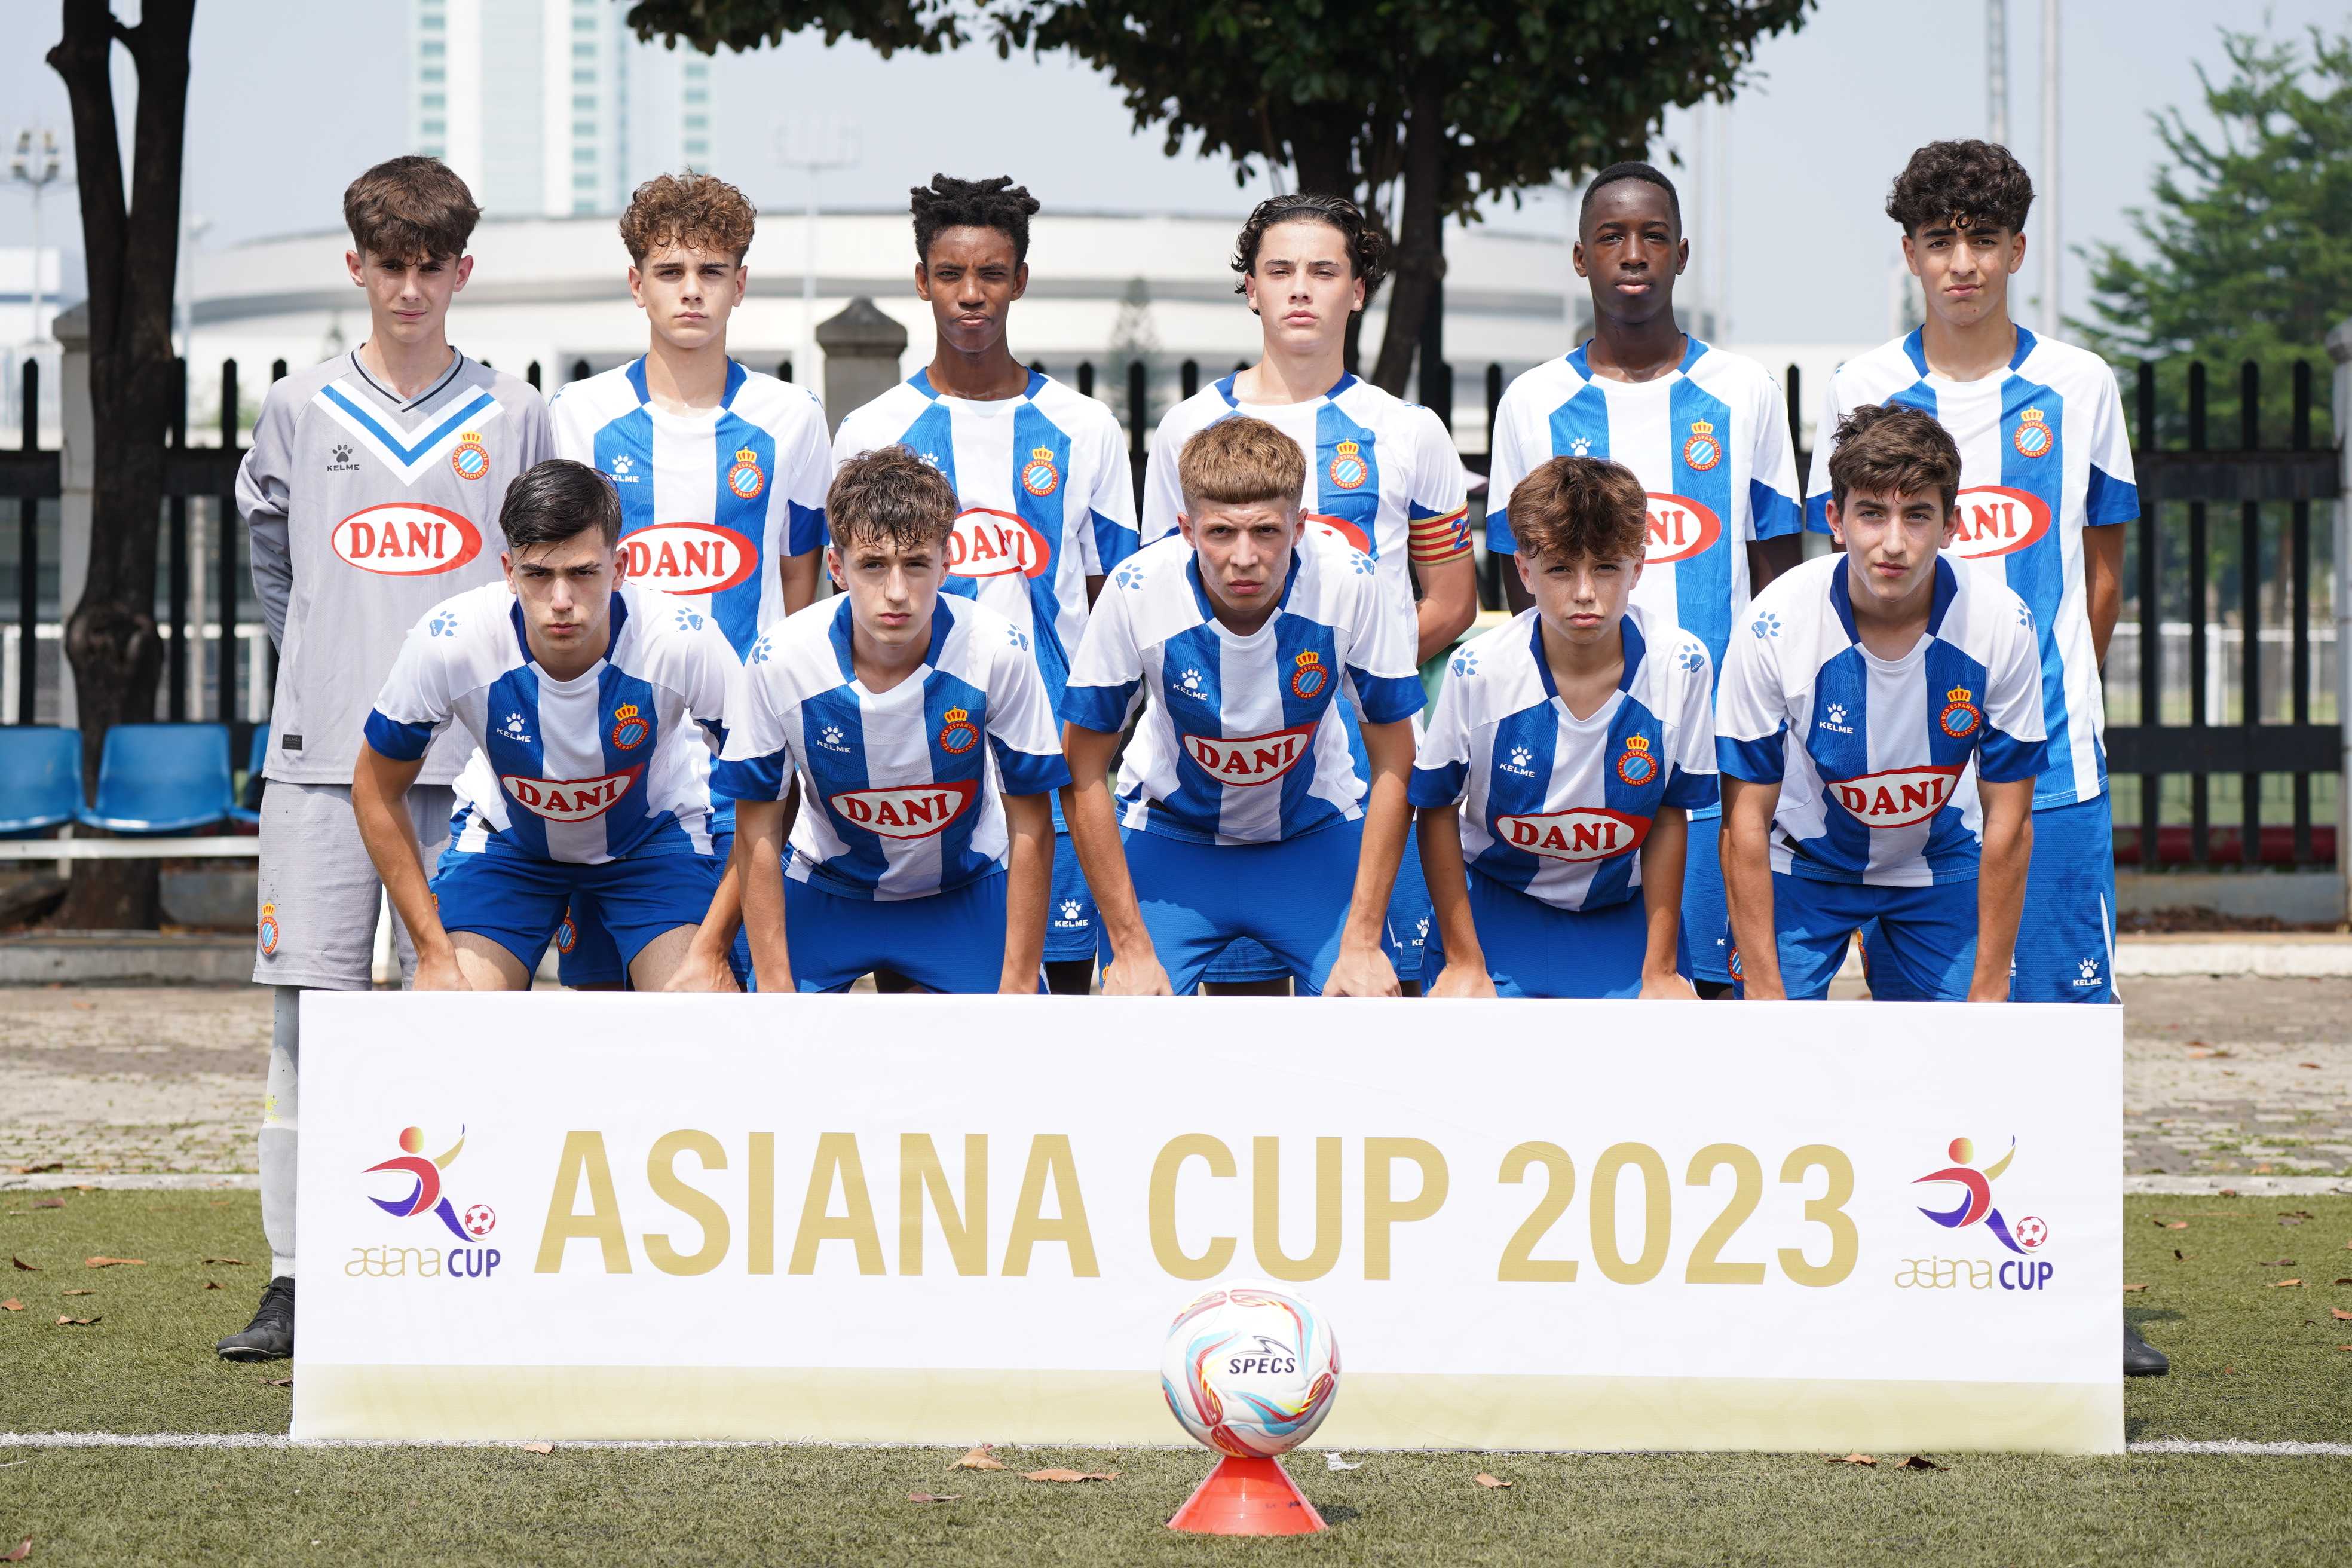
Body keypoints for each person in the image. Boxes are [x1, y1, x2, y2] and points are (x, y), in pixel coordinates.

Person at [220, 155, 551, 1361]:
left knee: (464, 1018)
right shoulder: (297, 408)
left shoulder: (516, 412)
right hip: (321, 759)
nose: (410, 289)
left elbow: (543, 578)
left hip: (471, 773)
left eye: (431, 267)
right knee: (309, 1020)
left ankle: (463, 1264)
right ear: (355, 265)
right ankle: (295, 1278)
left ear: (463, 270)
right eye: (391, 266)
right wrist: (326, 662)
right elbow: (275, 563)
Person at [1803, 139, 2136, 1009]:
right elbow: (1840, 575)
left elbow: (2102, 577)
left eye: (1984, 239)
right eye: (1940, 242)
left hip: (2053, 756)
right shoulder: (1861, 386)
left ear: (2016, 250)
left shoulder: (2082, 385)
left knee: (2061, 1014)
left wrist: (2050, 691)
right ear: (1910, 253)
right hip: (1905, 772)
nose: (1963, 264)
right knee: (1933, 1024)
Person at [1484, 161, 1804, 997]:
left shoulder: (1744, 391)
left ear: (1681, 255)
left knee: (1707, 984)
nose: (1633, 253)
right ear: (1580, 258)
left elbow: (1778, 572)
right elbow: (1520, 577)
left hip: (1719, 737)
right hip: (1583, 735)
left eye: (1654, 236)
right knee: (1595, 970)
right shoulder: (1532, 402)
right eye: (1612, 237)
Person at [1141, 192, 1475, 993]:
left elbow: (1453, 600)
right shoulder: (1185, 428)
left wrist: (1337, 674)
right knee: (1242, 1011)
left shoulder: (1411, 430)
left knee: (1375, 991)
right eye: (1280, 270)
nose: (1300, 289)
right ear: (1250, 288)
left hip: (1374, 747)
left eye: (1324, 272)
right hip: (1226, 757)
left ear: (1357, 291)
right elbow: (1161, 600)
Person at [830, 174, 1137, 995]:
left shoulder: (1086, 428)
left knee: (1059, 995)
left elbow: (1118, 605)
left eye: (992, 274)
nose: (972, 294)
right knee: (923, 999)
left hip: (1052, 756)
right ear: (922, 281)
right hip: (921, 761)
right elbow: (849, 603)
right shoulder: (871, 430)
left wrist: (1091, 732)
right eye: (952, 274)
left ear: (1019, 281)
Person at [546, 170, 832, 990]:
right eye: (670, 272)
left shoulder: (792, 417)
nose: (692, 291)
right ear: (637, 285)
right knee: (607, 1000)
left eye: (711, 271)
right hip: (615, 759)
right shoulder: (578, 415)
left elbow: (800, 581)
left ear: (741, 284)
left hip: (743, 760)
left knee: (731, 996)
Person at [352, 459, 744, 993]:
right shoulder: (449, 641)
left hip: (651, 839)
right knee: (454, 1017)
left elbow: (771, 785)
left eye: (582, 573)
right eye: (539, 574)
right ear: (509, 571)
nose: (561, 601)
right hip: (508, 845)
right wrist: (431, 952)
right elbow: (374, 788)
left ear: (620, 568)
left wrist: (714, 948)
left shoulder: (682, 641)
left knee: (697, 1013)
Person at [1061, 416, 1423, 996]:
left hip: (1313, 831)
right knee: (1132, 1016)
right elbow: (1081, 768)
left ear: (1300, 526)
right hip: (1172, 834)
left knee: (1367, 1004)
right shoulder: (1136, 591)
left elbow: (1396, 758)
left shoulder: (1350, 581)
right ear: (1186, 529)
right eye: (1222, 532)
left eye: (1266, 531)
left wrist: (1361, 940)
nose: (1245, 557)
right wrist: (1130, 947)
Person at [1716, 405, 2042, 1008]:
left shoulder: (2001, 623)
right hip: (1803, 861)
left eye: (1917, 515)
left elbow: (2010, 819)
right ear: (1835, 519)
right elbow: (1744, 823)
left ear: (1951, 525)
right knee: (1772, 1044)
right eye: (1871, 513)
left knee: (1970, 1046)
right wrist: (1764, 991)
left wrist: (1990, 987)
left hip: (1940, 858)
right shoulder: (1773, 625)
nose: (1893, 543)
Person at [712, 445, 1067, 993]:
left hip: (965, 889)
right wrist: (777, 989)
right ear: (837, 568)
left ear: (947, 562)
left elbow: (1032, 822)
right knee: (774, 1040)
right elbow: (757, 826)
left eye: (916, 563)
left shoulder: (998, 650)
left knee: (1013, 1040)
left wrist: (1018, 984)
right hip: (828, 888)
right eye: (873, 565)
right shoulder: (780, 660)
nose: (896, 593)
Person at [1415, 457, 1717, 999]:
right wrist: (1463, 961)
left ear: (1638, 567)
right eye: (1559, 569)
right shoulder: (1478, 670)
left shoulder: (1682, 664)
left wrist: (1661, 970)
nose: (1584, 592)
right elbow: (1436, 809)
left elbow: (1671, 813)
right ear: (1524, 571)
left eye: (1606, 568)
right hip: (1495, 896)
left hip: (1622, 903)